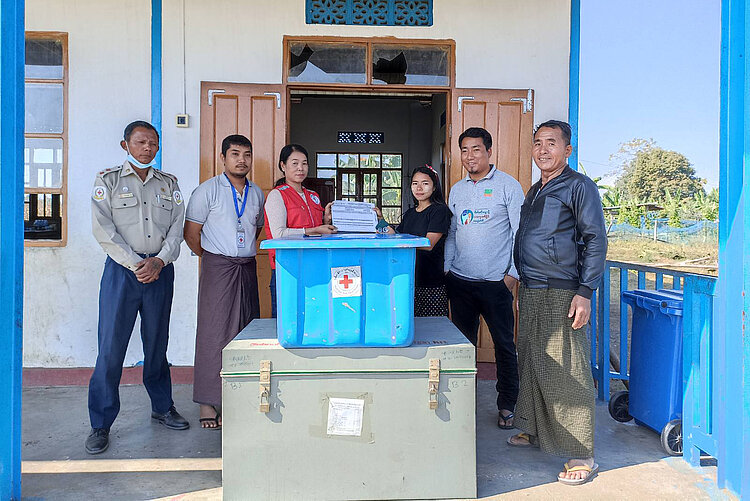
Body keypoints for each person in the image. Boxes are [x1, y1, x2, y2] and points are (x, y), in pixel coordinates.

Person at [507, 120, 607, 486]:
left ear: (568, 150)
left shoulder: (578, 186)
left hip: (562, 289)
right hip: (532, 288)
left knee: (566, 368)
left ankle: (582, 452)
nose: (542, 149)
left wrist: (585, 291)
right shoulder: (536, 189)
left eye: (551, 143)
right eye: (537, 143)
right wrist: (517, 278)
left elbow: (595, 239)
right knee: (532, 359)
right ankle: (533, 429)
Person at [87, 120, 188, 455]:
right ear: (125, 145)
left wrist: (159, 260)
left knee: (157, 345)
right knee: (111, 349)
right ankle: (100, 423)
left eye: (153, 143)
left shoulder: (168, 184)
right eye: (141, 142)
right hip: (122, 274)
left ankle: (162, 407)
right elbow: (104, 230)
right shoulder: (108, 181)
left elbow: (177, 226)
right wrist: (136, 264)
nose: (148, 148)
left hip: (160, 272)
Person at [444, 127, 525, 430]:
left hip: (496, 285)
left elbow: (520, 233)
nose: (469, 156)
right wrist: (448, 268)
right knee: (463, 347)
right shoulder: (457, 189)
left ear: (489, 152)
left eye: (476, 149)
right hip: (461, 282)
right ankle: (463, 403)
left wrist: (512, 274)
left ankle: (507, 404)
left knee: (504, 345)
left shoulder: (508, 186)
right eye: (464, 150)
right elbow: (453, 233)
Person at [184, 134, 265, 429]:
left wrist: (239, 253)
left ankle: (239, 396)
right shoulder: (207, 191)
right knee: (213, 331)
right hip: (218, 266)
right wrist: (211, 258)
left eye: (246, 154)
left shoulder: (257, 193)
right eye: (234, 154)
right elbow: (191, 233)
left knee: (246, 329)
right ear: (223, 158)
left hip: (245, 266)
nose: (241, 160)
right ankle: (208, 402)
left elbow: (254, 229)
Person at [263, 144, 336, 317]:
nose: (300, 168)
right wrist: (314, 230)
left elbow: (319, 230)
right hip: (287, 268)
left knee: (314, 316)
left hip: (315, 266)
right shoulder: (277, 195)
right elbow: (278, 234)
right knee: (288, 318)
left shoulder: (313, 195)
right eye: (294, 163)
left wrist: (325, 221)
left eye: (304, 163)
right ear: (283, 166)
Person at [375, 165, 452, 316]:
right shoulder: (410, 213)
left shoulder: (439, 211)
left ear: (434, 186)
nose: (419, 188)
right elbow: (395, 235)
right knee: (409, 327)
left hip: (430, 282)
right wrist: (379, 219)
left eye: (425, 183)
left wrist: (398, 241)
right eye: (415, 183)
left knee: (431, 329)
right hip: (407, 279)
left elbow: (428, 244)